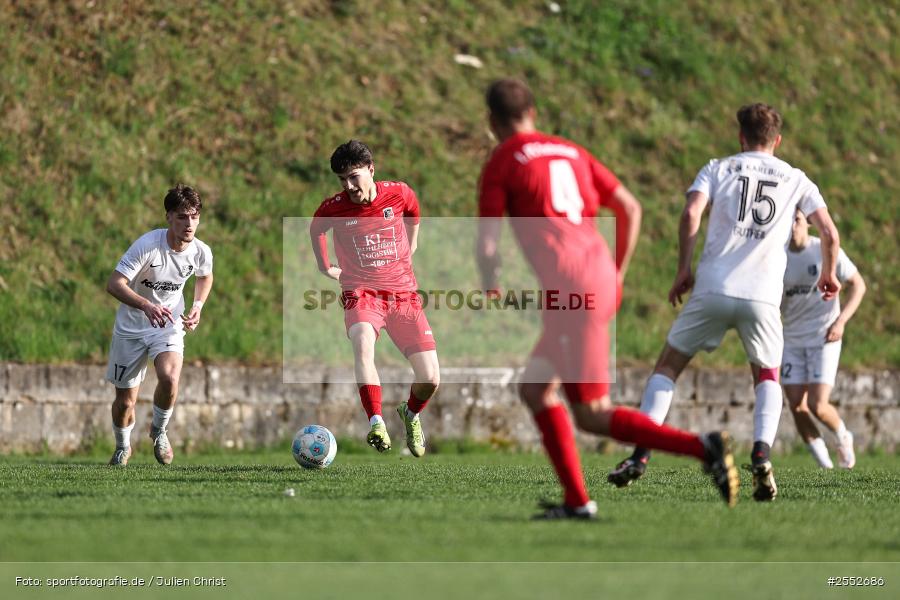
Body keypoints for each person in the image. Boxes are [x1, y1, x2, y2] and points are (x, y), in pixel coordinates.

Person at [476, 78, 739, 520]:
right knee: (536, 389)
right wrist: (615, 270)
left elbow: (486, 244)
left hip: (570, 289)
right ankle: (577, 502)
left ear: (492, 121)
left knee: (592, 413)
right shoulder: (570, 151)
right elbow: (630, 208)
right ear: (534, 113)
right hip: (596, 277)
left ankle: (701, 447)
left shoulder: (503, 159)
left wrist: (490, 279)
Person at [608, 103, 842, 502]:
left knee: (667, 366)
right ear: (777, 140)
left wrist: (684, 267)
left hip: (714, 288)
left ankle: (641, 455)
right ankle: (762, 455)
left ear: (741, 136)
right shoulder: (796, 178)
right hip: (764, 297)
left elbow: (691, 213)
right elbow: (830, 235)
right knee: (766, 376)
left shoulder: (719, 168)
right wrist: (828, 273)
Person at [309, 140, 439, 457]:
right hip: (361, 293)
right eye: (342, 180)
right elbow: (316, 230)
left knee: (431, 378)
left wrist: (411, 246)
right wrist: (325, 267)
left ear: (371, 169)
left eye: (354, 176)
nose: (349, 186)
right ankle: (377, 423)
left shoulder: (399, 192)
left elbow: (413, 210)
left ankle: (410, 414)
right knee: (363, 345)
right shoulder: (333, 208)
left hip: (403, 295)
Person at [105, 184, 213, 466]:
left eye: (194, 216)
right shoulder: (148, 246)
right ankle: (122, 446)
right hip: (131, 326)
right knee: (125, 403)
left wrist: (197, 306)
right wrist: (146, 305)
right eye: (181, 217)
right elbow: (114, 284)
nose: (189, 224)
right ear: (168, 217)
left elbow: (205, 276)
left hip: (167, 324)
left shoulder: (201, 251)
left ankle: (159, 430)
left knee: (169, 377)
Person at [781, 209, 865, 468]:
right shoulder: (777, 256)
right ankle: (825, 466)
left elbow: (858, 285)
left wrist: (840, 322)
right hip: (792, 339)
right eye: (786, 221)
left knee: (818, 405)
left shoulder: (825, 249)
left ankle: (842, 436)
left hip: (824, 336)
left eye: (796, 220)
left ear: (807, 222)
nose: (792, 226)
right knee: (796, 405)